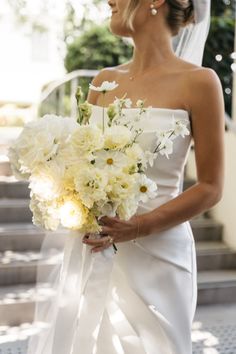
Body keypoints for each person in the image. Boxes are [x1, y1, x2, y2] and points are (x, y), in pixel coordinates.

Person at [27, 1, 225, 353]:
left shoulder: (200, 82)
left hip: (160, 255)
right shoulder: (103, 81)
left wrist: (139, 226)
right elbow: (83, 163)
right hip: (98, 247)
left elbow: (211, 187)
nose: (109, 2)